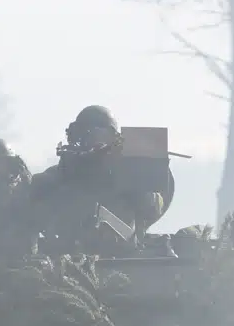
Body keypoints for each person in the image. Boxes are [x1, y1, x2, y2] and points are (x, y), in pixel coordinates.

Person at [28, 105, 168, 253]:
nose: (94, 142)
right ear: (75, 137)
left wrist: (127, 175)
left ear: (115, 139)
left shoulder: (128, 174)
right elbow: (31, 216)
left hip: (125, 256)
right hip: (69, 258)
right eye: (86, 135)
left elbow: (152, 208)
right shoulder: (55, 177)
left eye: (101, 135)